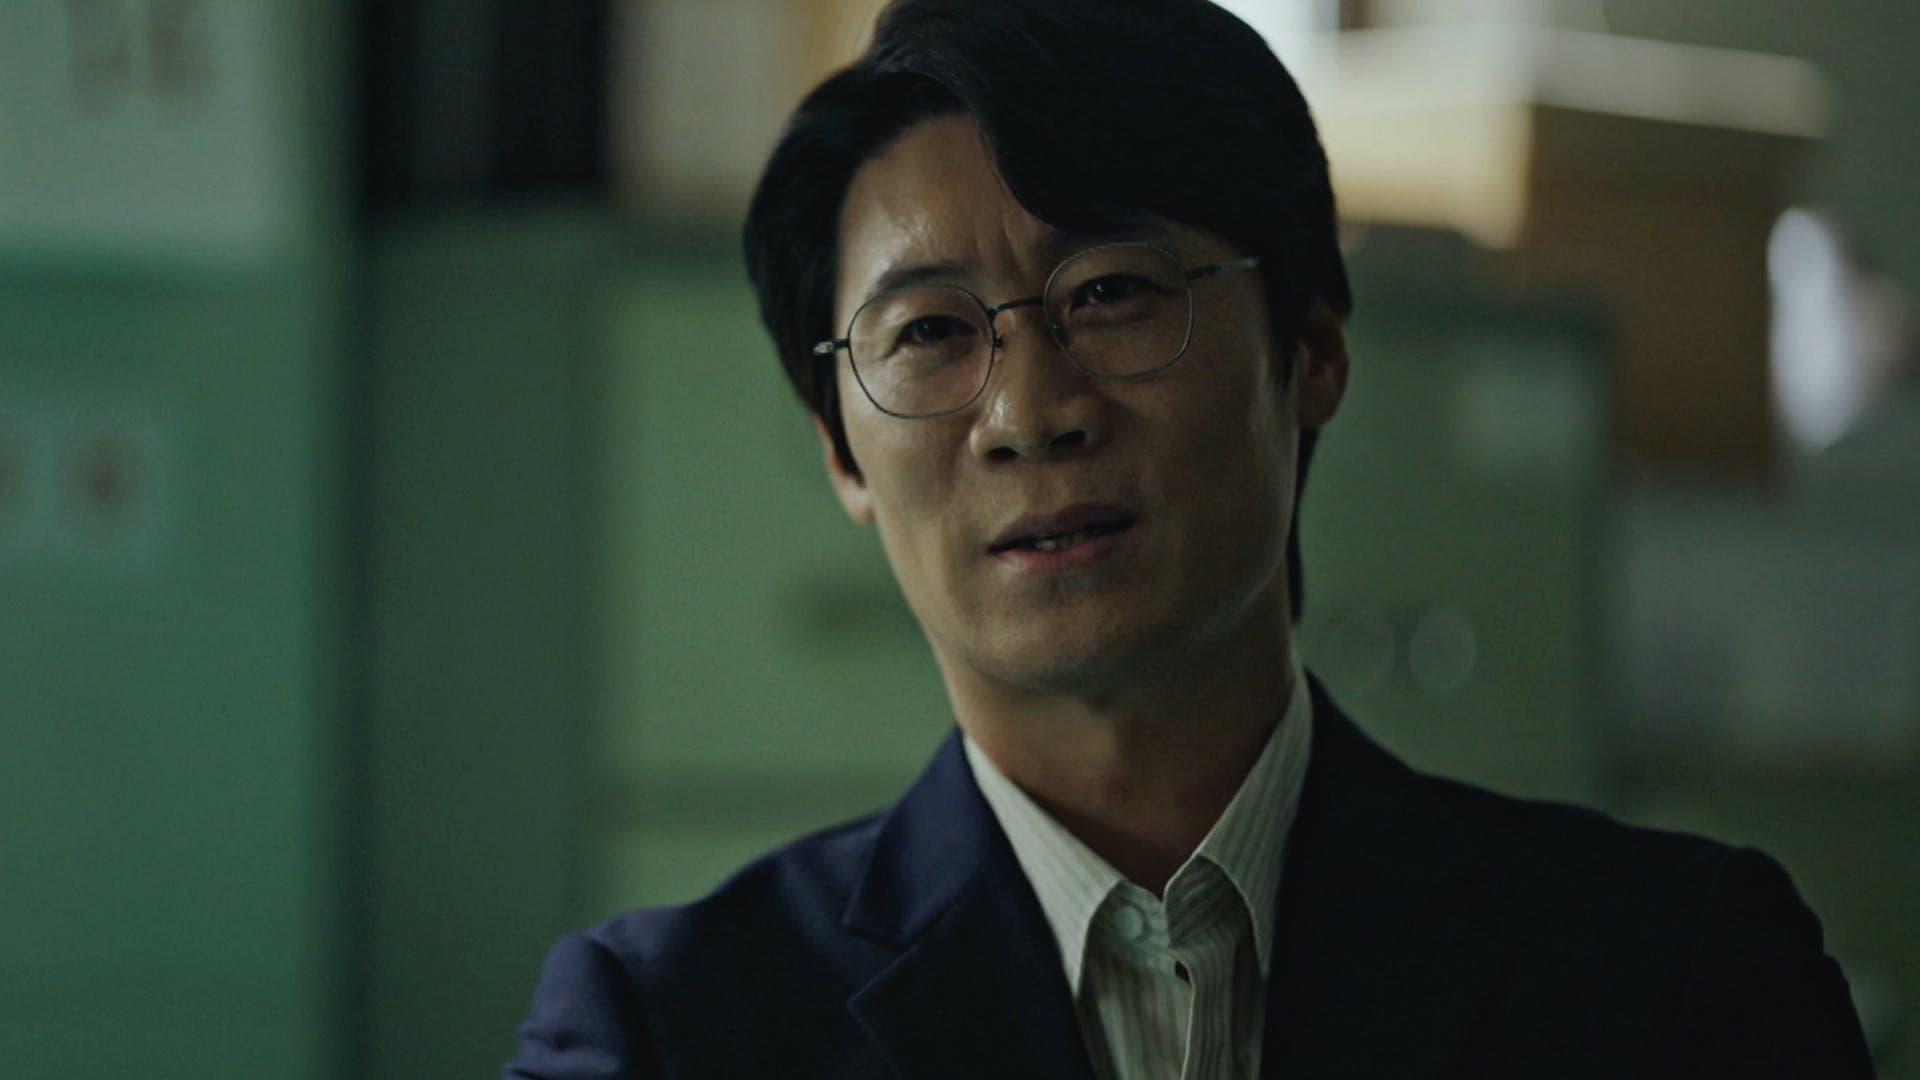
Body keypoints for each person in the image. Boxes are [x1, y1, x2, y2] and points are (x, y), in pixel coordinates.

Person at [506, 0, 1873, 1075]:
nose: (1029, 413)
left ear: (1312, 354)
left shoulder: (1678, 978)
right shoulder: (666, 1033)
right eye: (927, 332)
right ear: (841, 453)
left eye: (1110, 293)